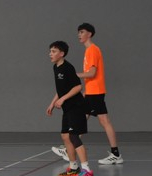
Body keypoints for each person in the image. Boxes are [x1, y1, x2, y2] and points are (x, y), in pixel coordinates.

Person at [52, 22, 122, 165]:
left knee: (102, 121)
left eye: (82, 32)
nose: (79, 34)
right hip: (91, 91)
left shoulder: (92, 50)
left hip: (95, 91)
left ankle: (115, 154)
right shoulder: (89, 50)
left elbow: (92, 73)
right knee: (83, 118)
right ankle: (70, 147)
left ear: (89, 34)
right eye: (78, 32)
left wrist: (73, 75)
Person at [46, 41, 94, 176]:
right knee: (65, 136)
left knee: (74, 136)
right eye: (50, 51)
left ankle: (87, 170)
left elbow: (78, 87)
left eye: (54, 51)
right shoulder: (55, 67)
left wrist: (63, 99)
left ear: (62, 54)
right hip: (67, 108)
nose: (50, 54)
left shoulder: (68, 68)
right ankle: (74, 168)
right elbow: (61, 89)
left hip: (76, 106)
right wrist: (52, 103)